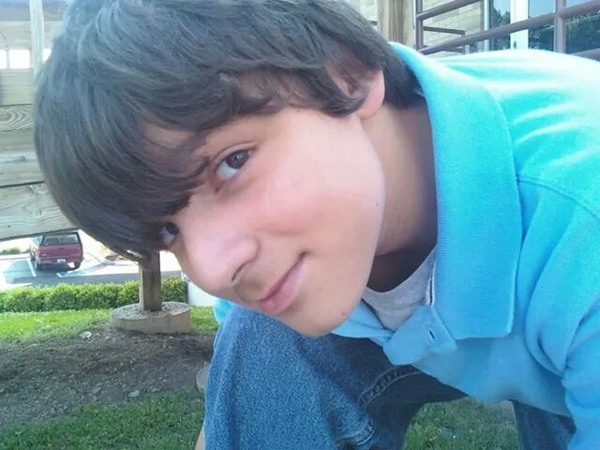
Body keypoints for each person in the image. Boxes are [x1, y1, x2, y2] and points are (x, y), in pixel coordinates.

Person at [33, 0, 600, 448]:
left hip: (559, 293)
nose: (213, 267)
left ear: (348, 75)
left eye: (232, 162)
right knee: (263, 336)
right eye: (168, 231)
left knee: (563, 405)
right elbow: (239, 402)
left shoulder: (581, 216)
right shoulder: (274, 251)